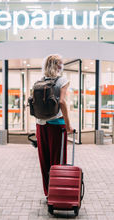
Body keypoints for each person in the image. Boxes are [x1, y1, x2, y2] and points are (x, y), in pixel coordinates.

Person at [35, 54, 73, 198]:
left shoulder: (40, 80)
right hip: (57, 125)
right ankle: (58, 193)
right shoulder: (62, 80)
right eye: (61, 63)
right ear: (57, 65)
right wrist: (68, 126)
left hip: (41, 125)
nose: (62, 65)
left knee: (44, 160)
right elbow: (62, 102)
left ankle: (48, 192)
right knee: (57, 161)